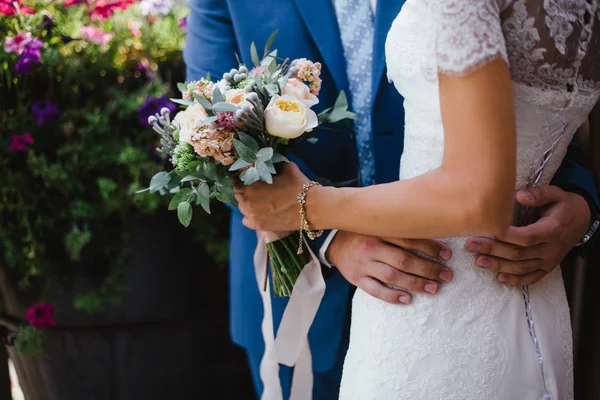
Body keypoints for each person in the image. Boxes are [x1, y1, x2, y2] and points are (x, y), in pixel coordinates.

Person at [185, 0, 600, 398]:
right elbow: (211, 133)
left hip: (463, 280)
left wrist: (582, 207)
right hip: (297, 292)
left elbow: (541, 103)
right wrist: (332, 237)